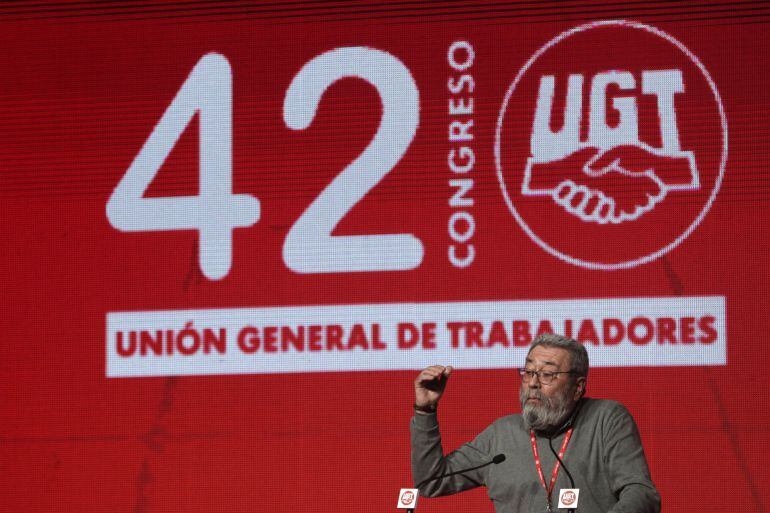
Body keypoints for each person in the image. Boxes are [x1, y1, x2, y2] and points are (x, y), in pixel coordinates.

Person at [411, 333, 660, 513]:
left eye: (547, 374)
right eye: (528, 372)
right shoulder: (501, 434)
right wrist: (425, 409)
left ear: (578, 387)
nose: (533, 383)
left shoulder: (606, 419)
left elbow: (641, 493)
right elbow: (431, 482)